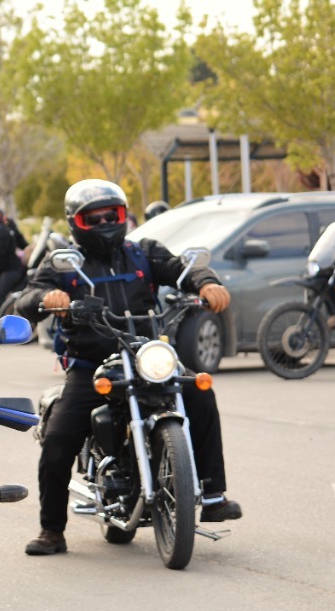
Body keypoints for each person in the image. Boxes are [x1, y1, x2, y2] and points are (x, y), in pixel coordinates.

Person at [13, 179, 242, 556]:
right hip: (92, 364)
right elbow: (24, 298)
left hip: (147, 354)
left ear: (123, 216)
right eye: (94, 217)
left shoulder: (143, 253)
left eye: (111, 214)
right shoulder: (65, 262)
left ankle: (214, 494)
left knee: (199, 391)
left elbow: (182, 268)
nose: (104, 222)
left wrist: (206, 282)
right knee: (58, 438)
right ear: (76, 222)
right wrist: (48, 297)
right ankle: (51, 530)